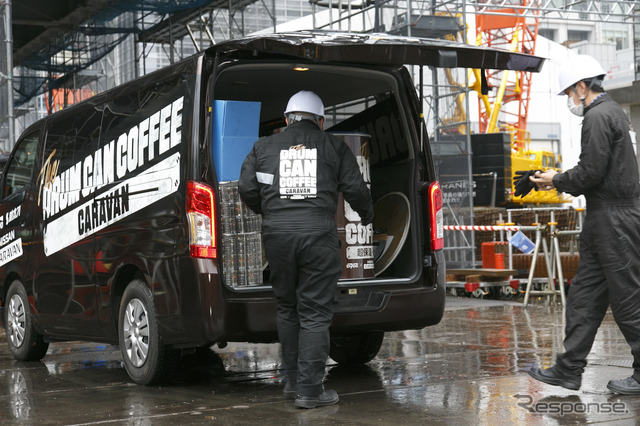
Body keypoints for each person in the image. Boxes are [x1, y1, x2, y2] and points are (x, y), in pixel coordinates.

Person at [238, 90, 374, 408]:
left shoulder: (263, 147)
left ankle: (293, 383)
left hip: (278, 237)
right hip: (317, 236)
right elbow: (356, 188)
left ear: (287, 119)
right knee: (314, 313)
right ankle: (310, 392)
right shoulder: (333, 147)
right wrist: (367, 216)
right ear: (321, 121)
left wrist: (270, 211)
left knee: (287, 309)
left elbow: (246, 187)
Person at [528, 54, 640, 394]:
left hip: (615, 220)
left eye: (567, 93)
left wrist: (555, 179)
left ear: (581, 87)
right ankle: (568, 369)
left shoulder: (598, 116)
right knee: (585, 298)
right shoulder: (610, 113)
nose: (568, 99)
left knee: (628, 300)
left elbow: (590, 172)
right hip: (604, 219)